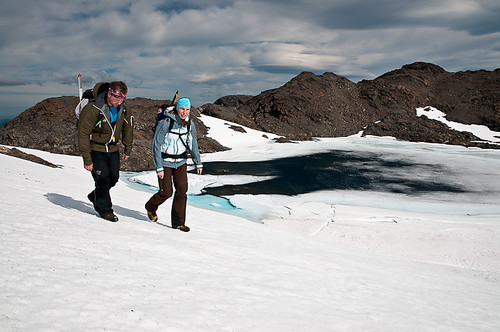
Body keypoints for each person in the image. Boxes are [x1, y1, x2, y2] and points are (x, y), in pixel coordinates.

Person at [78, 81, 134, 222]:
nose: (119, 101)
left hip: (113, 148)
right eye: (116, 97)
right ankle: (105, 210)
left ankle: (96, 195)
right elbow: (83, 133)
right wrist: (87, 158)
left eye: (122, 98)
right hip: (96, 148)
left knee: (113, 178)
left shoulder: (124, 109)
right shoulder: (94, 108)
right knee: (102, 178)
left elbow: (128, 129)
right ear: (109, 93)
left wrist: (128, 147)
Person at [145, 97, 203, 232]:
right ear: (177, 109)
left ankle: (178, 223)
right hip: (165, 162)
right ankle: (151, 207)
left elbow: (193, 144)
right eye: (182, 109)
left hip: (181, 162)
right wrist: (158, 167)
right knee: (166, 192)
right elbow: (156, 145)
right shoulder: (166, 122)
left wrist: (198, 163)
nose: (184, 112)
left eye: (187, 109)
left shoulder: (190, 124)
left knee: (182, 191)